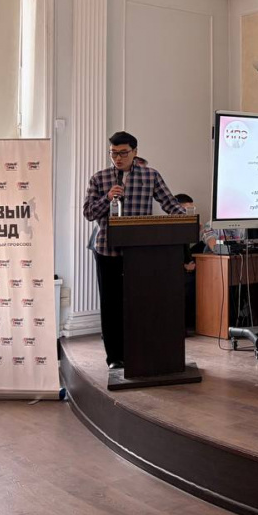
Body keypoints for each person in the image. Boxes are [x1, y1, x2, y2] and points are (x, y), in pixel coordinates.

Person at [82, 131, 186, 369]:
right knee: (111, 305)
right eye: (113, 153)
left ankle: (139, 351)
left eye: (123, 153)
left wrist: (188, 221)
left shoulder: (150, 176)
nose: (118, 158)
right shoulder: (99, 178)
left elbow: (170, 204)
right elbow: (88, 213)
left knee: (139, 302)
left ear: (135, 152)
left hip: (140, 253)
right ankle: (114, 357)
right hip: (107, 250)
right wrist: (107, 198)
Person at [175, 193, 205, 334]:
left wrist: (197, 231)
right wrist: (186, 266)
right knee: (190, 283)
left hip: (189, 262)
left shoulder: (186, 229)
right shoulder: (171, 230)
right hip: (178, 270)